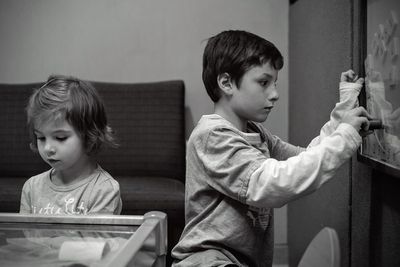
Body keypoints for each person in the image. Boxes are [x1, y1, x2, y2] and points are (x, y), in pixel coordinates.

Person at [171, 30, 372, 267]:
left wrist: (343, 116)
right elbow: (275, 183)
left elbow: (305, 159)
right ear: (226, 83)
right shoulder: (212, 136)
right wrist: (345, 136)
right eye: (263, 82)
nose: (275, 94)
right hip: (207, 261)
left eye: (274, 83)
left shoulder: (255, 133)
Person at [20, 75, 122, 215]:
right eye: (41, 137)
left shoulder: (103, 190)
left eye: (60, 138)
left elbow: (95, 237)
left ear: (89, 136)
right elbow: (23, 235)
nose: (48, 148)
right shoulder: (32, 187)